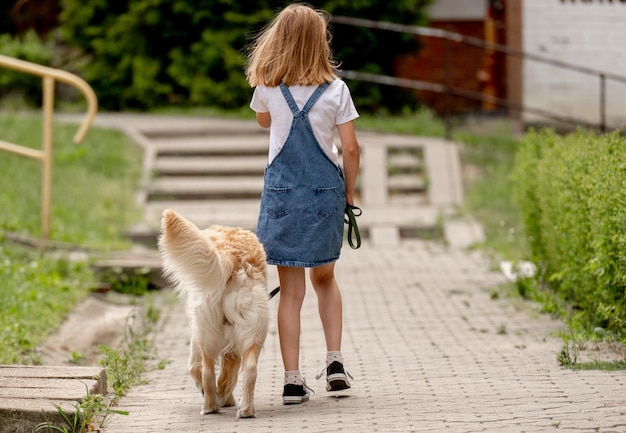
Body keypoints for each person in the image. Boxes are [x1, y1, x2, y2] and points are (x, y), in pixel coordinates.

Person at [245, 3, 361, 405]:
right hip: (324, 195)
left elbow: (264, 122)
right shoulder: (337, 90)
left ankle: (292, 380)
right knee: (325, 280)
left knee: (290, 291)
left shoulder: (268, 87)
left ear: (278, 40)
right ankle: (335, 365)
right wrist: (348, 194)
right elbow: (350, 147)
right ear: (319, 42)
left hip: (281, 196)